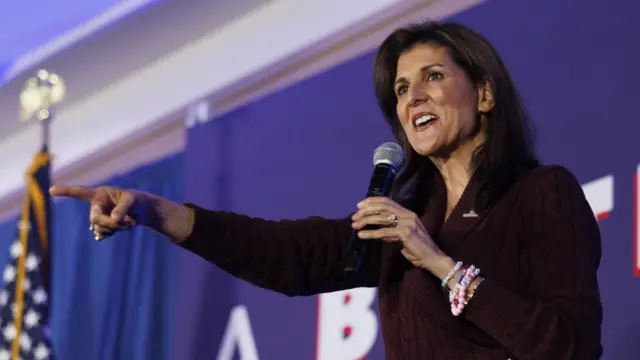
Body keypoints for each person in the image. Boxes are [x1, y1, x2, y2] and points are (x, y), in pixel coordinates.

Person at [49, 21, 603, 359]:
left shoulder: (540, 194)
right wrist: (154, 210)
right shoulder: (403, 222)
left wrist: (440, 265)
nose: (412, 98)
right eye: (402, 89)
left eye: (433, 77)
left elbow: (568, 345)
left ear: (484, 93)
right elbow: (286, 255)